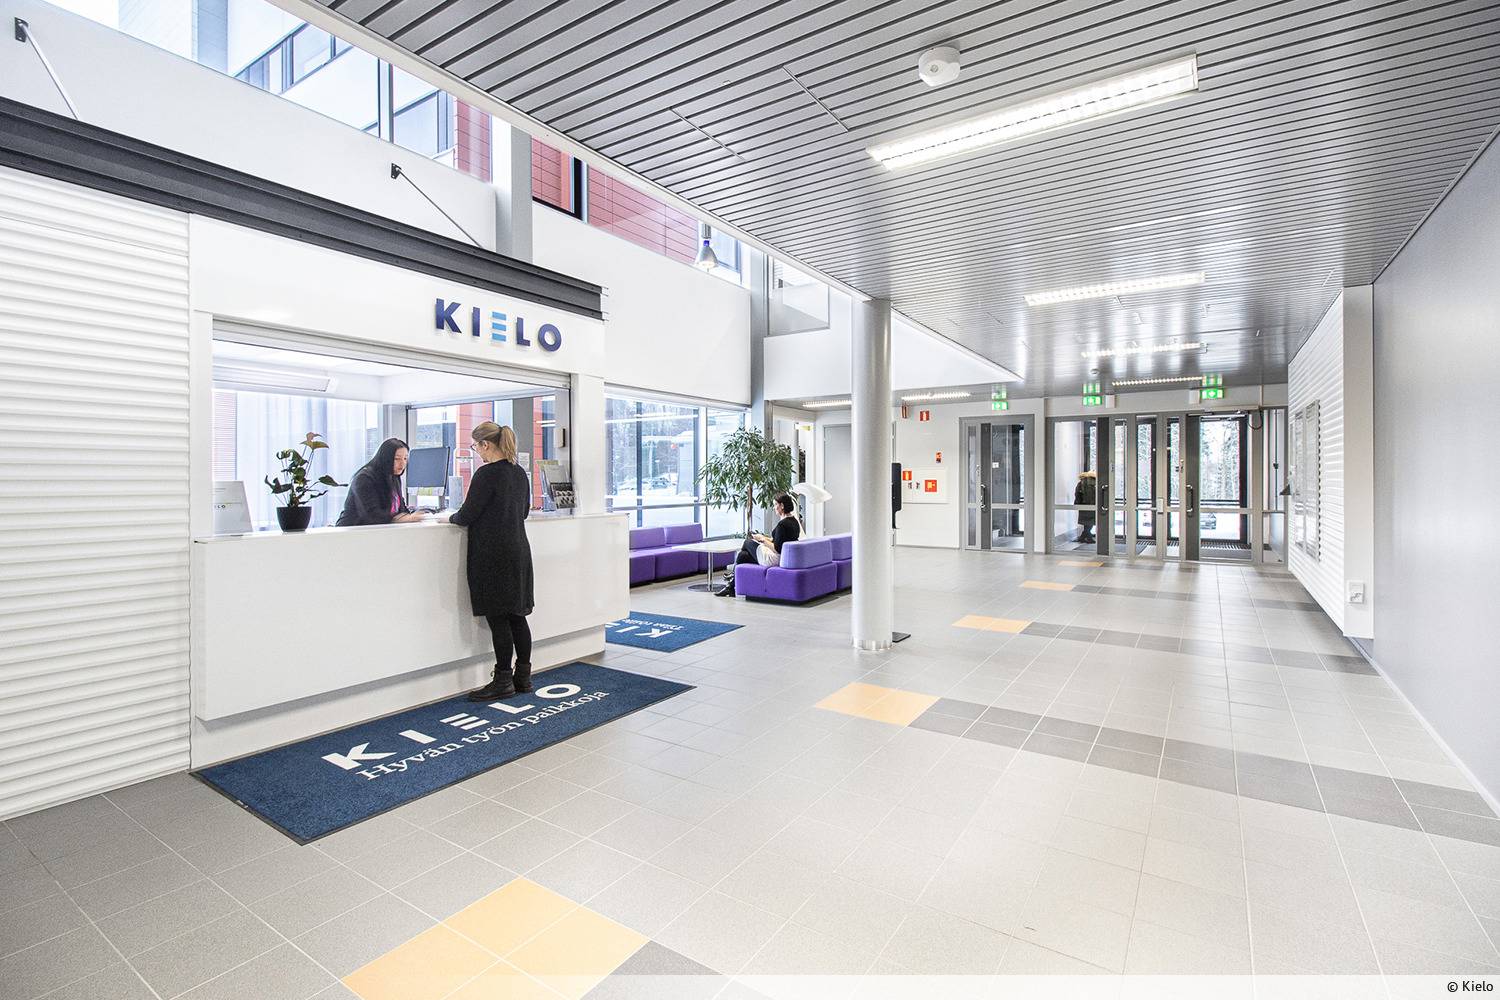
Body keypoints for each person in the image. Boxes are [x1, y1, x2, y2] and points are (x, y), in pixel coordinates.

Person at [444, 422, 534, 701]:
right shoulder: (519, 473)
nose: (476, 452)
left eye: (475, 446)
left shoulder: (486, 474)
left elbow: (467, 514)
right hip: (518, 550)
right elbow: (524, 512)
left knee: (498, 618)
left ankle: (503, 680)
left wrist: (449, 518)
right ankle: (523, 677)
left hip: (493, 554)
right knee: (517, 616)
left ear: (485, 445)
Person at [716, 493, 800, 597]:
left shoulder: (782, 524)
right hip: (782, 557)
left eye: (775, 505)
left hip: (774, 559)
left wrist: (762, 540)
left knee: (747, 542)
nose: (774, 507)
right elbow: (778, 541)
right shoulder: (794, 521)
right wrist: (763, 537)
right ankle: (730, 587)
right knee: (743, 555)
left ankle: (733, 575)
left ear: (782, 506)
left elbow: (777, 548)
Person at [335, 438, 428, 527]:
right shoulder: (364, 478)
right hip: (354, 531)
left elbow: (401, 509)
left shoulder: (393, 477)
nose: (402, 463)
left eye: (405, 458)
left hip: (381, 531)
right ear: (385, 458)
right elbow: (372, 515)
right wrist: (400, 519)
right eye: (397, 459)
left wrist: (415, 515)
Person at [1074, 470, 1097, 544]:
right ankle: (1088, 537)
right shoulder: (1096, 483)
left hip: (1083, 505)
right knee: (1090, 521)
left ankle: (1084, 536)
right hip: (1093, 505)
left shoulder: (1080, 483)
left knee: (1086, 522)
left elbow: (1077, 494)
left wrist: (1077, 504)